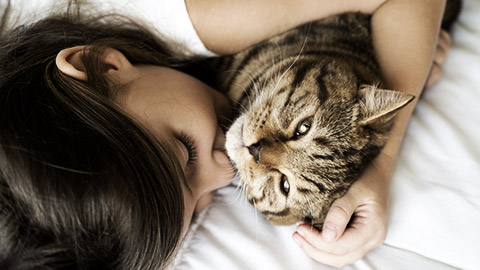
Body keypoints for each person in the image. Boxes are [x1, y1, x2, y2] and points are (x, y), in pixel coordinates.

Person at [0, 0, 451, 269]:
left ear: (101, 65)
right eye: (198, 205)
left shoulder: (200, 15)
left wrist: (384, 159)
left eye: (185, 148)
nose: (222, 171)